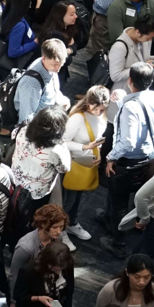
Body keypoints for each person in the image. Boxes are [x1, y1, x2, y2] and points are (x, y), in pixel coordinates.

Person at [102, 63, 154, 252]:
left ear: (129, 80)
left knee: (119, 201)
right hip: (148, 159)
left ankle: (117, 242)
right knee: (126, 197)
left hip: (127, 162)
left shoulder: (130, 107)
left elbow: (128, 142)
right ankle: (108, 218)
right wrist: (122, 101)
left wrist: (111, 156)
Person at [9, 108, 71, 239]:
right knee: (32, 220)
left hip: (16, 183)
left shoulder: (23, 130)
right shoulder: (56, 150)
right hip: (37, 193)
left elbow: (13, 135)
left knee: (14, 215)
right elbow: (64, 168)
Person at [60, 86, 109, 244]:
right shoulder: (78, 117)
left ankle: (72, 223)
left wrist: (98, 152)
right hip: (72, 164)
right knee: (68, 200)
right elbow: (63, 142)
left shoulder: (101, 117)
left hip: (86, 163)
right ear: (89, 103)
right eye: (96, 109)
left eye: (102, 110)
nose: (99, 113)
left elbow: (98, 139)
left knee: (78, 197)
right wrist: (85, 147)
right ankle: (60, 229)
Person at [9, 204, 68, 301]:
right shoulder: (25, 247)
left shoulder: (58, 238)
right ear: (42, 224)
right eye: (55, 227)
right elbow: (14, 275)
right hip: (28, 292)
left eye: (61, 227)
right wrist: (14, 301)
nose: (58, 231)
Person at [13, 39, 71, 125]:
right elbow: (26, 119)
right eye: (55, 64)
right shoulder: (31, 82)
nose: (58, 69)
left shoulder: (49, 67)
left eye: (61, 65)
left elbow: (54, 91)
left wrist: (62, 100)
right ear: (44, 58)